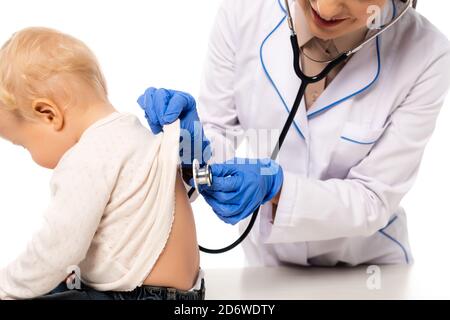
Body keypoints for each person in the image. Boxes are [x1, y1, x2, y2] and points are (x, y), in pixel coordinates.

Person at [138, 0, 450, 267]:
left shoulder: (426, 54)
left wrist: (279, 190)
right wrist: (191, 150)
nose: (325, 8)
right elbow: (218, 129)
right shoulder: (245, 10)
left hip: (368, 269)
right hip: (269, 269)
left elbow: (373, 197)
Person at [0, 27, 204, 300]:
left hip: (136, 296)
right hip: (185, 295)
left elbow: (57, 249)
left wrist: (6, 287)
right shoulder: (134, 133)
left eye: (24, 145)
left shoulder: (87, 157)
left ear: (48, 114)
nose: (31, 155)